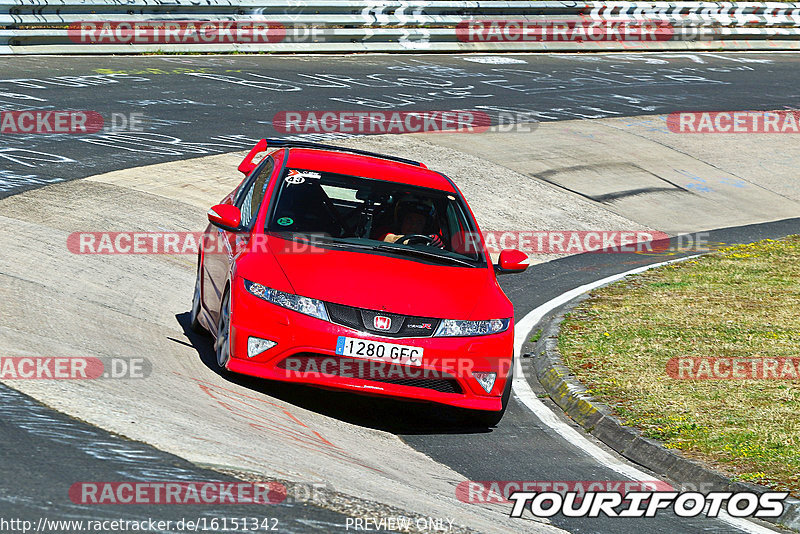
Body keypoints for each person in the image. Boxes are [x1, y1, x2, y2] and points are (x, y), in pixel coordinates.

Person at [380, 198, 444, 247]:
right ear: (401, 221)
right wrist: (417, 242)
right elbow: (386, 239)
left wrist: (436, 243)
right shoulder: (384, 234)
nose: (413, 226)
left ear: (425, 226)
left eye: (419, 222)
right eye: (409, 220)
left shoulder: (431, 241)